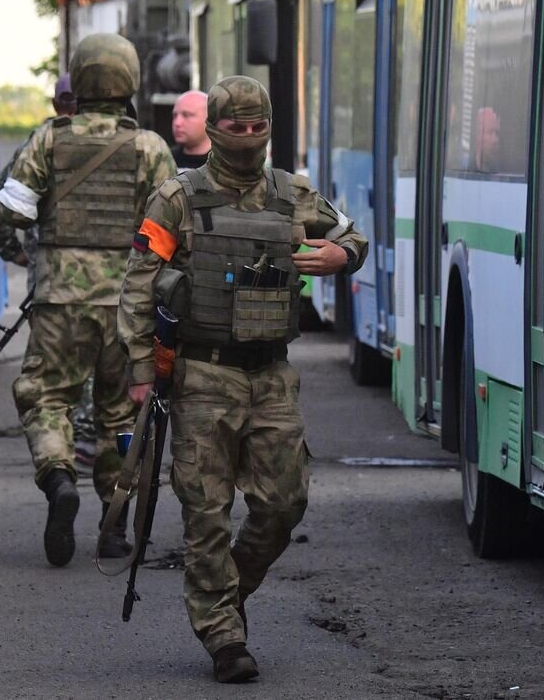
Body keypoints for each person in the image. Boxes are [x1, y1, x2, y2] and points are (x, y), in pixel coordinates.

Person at [118, 75, 367, 683]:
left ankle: (226, 591)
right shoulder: (177, 198)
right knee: (205, 512)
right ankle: (224, 636)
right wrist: (141, 370)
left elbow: (351, 236)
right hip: (203, 375)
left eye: (259, 126)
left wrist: (339, 256)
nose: (248, 136)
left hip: (272, 375)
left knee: (284, 504)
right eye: (236, 126)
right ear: (214, 128)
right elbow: (137, 285)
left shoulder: (293, 194)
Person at [0, 34, 176, 567]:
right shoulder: (150, 147)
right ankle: (116, 524)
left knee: (48, 397)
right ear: (130, 81)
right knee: (122, 413)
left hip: (58, 300)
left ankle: (58, 481)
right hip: (127, 304)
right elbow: (172, 226)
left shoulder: (49, 140)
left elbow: (12, 211)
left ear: (78, 77)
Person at [0, 74, 76, 287]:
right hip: (108, 288)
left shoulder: (36, 146)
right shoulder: (125, 143)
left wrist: (20, 255)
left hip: (49, 284)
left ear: (55, 104)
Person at [171, 89, 210, 172]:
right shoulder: (166, 159)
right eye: (175, 116)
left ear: (208, 119)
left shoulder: (225, 163)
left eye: (187, 115)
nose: (177, 123)